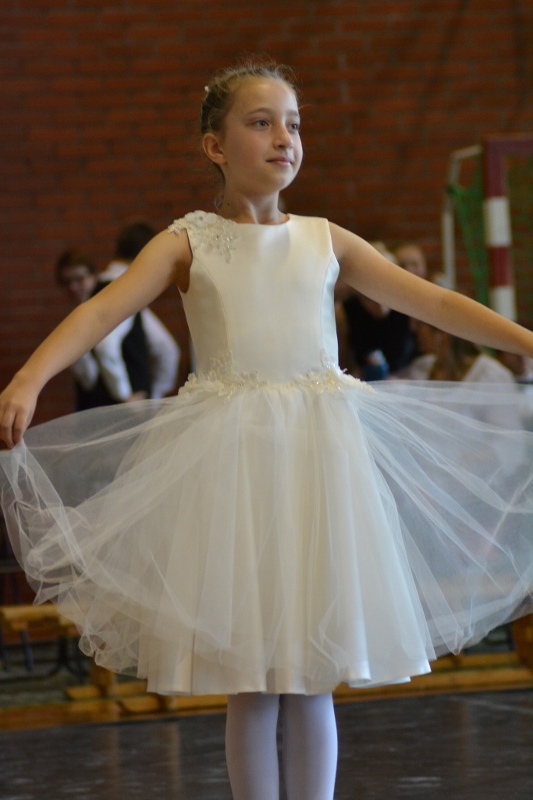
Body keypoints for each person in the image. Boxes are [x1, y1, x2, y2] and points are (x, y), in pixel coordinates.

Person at [1, 61, 533, 800]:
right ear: (215, 146)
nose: (284, 137)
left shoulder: (324, 240)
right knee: (250, 677)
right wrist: (30, 377)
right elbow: (102, 311)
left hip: (320, 465)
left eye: (293, 124)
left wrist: (526, 341)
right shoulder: (188, 242)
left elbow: (434, 302)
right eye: (261, 123)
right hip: (233, 470)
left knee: (311, 675)